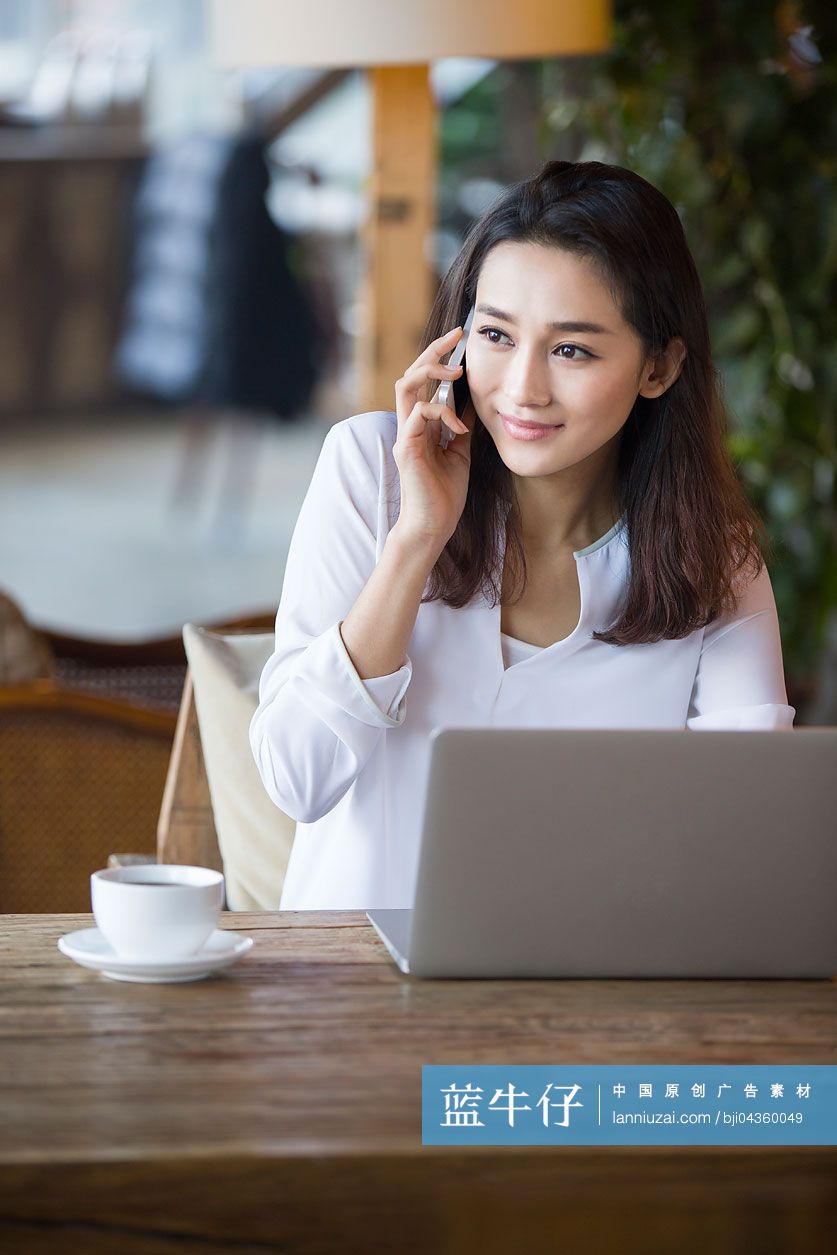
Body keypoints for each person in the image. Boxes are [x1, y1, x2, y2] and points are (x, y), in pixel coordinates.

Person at [250, 160, 795, 911]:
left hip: (592, 994)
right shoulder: (369, 470)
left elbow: (751, 836)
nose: (521, 388)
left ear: (659, 367)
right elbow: (295, 780)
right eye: (497, 335)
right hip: (352, 993)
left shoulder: (712, 555)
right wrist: (415, 538)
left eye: (571, 349)